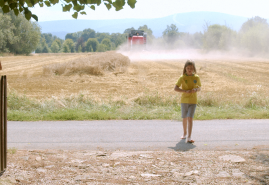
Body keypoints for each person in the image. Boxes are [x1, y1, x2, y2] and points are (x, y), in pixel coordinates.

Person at [174, 60, 201, 143]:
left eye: (191, 68)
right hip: (184, 100)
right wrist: (185, 91)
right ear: (185, 68)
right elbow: (175, 88)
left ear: (194, 69)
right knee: (185, 117)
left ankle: (189, 137)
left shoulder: (196, 77)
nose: (189, 70)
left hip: (193, 101)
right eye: (188, 68)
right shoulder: (182, 77)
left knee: (190, 118)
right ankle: (184, 133)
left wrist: (196, 89)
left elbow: (199, 88)